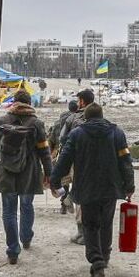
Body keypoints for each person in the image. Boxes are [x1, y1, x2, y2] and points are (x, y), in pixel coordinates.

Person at [51, 103, 134, 277]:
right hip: (110, 188)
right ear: (102, 116)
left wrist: (55, 180)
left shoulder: (77, 134)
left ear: (86, 118)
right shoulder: (116, 133)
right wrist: (129, 185)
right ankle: (104, 256)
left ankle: (97, 261)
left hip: (87, 188)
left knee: (90, 225)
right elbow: (126, 160)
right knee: (106, 223)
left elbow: (64, 159)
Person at [0, 89, 52, 265]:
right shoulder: (36, 123)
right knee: (26, 205)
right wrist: (48, 173)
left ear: (14, 102)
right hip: (29, 172)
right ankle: (26, 237)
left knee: (8, 211)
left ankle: (13, 251)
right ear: (29, 103)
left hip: (6, 171)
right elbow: (44, 151)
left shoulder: (1, 121)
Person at [58, 88, 95, 244]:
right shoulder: (99, 117)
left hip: (77, 163)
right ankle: (89, 232)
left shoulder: (72, 119)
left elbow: (62, 138)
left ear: (82, 102)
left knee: (79, 196)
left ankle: (82, 232)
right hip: (96, 164)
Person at [49, 100, 79, 214]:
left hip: (61, 153)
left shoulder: (58, 122)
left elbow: (51, 139)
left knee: (64, 180)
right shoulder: (78, 121)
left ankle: (63, 204)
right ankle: (71, 199)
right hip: (76, 154)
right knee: (76, 178)